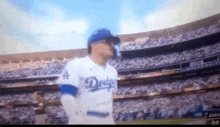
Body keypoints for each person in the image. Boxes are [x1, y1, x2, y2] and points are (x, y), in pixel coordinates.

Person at [56, 28, 120, 124]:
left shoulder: (112, 71)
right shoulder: (75, 65)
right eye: (107, 42)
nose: (112, 46)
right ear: (94, 45)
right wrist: (79, 120)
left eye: (112, 43)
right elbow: (66, 96)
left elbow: (110, 97)